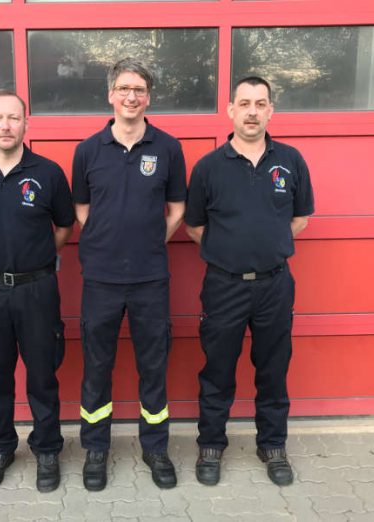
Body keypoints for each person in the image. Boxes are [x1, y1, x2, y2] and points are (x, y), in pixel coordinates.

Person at [184, 76, 314, 487]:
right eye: (245, 103)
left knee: (273, 368)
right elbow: (194, 226)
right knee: (217, 369)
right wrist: (231, 252)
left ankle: (272, 444)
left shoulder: (290, 161)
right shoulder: (208, 167)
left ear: (271, 110)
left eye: (260, 103)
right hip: (224, 286)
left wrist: (269, 246)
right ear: (231, 111)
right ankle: (211, 445)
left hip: (275, 285)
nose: (252, 111)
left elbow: (300, 219)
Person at [71, 58, 187, 491]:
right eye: (123, 89)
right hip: (100, 277)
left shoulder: (167, 148)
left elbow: (178, 208)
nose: (131, 96)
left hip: (150, 277)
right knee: (97, 366)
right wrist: (105, 239)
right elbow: (82, 208)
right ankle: (96, 449)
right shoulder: (88, 149)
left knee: (152, 366)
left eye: (139, 89)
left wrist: (150, 240)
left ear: (148, 97)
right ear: (110, 95)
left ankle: (155, 448)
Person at [0, 90, 75, 492]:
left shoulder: (49, 172)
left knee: (42, 374)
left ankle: (46, 450)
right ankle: (0, 448)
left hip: (37, 290)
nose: (6, 125)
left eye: (14, 118)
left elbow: (63, 228)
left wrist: (31, 263)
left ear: (26, 124)